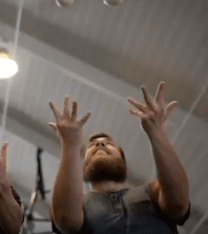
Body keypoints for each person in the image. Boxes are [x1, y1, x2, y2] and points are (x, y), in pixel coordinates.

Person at [49, 82, 190, 234]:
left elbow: (178, 205)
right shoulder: (78, 205)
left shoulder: (152, 192)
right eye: (92, 145)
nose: (100, 144)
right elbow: (66, 221)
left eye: (109, 143)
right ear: (82, 166)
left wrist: (157, 132)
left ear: (122, 159)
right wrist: (70, 145)